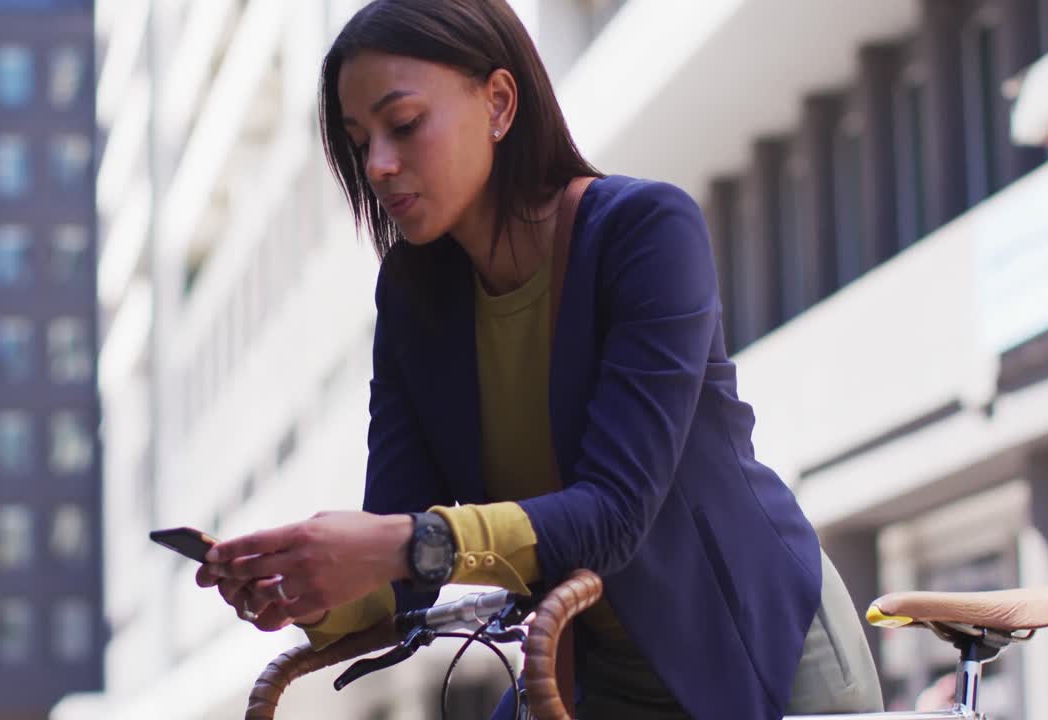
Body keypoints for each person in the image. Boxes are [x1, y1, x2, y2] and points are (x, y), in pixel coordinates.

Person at [195, 1, 884, 718]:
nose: (378, 165)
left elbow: (612, 518)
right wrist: (308, 591)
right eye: (358, 140)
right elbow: (406, 572)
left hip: (755, 654)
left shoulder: (646, 233)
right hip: (584, 670)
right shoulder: (412, 300)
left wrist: (398, 542)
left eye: (402, 126)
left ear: (498, 102)